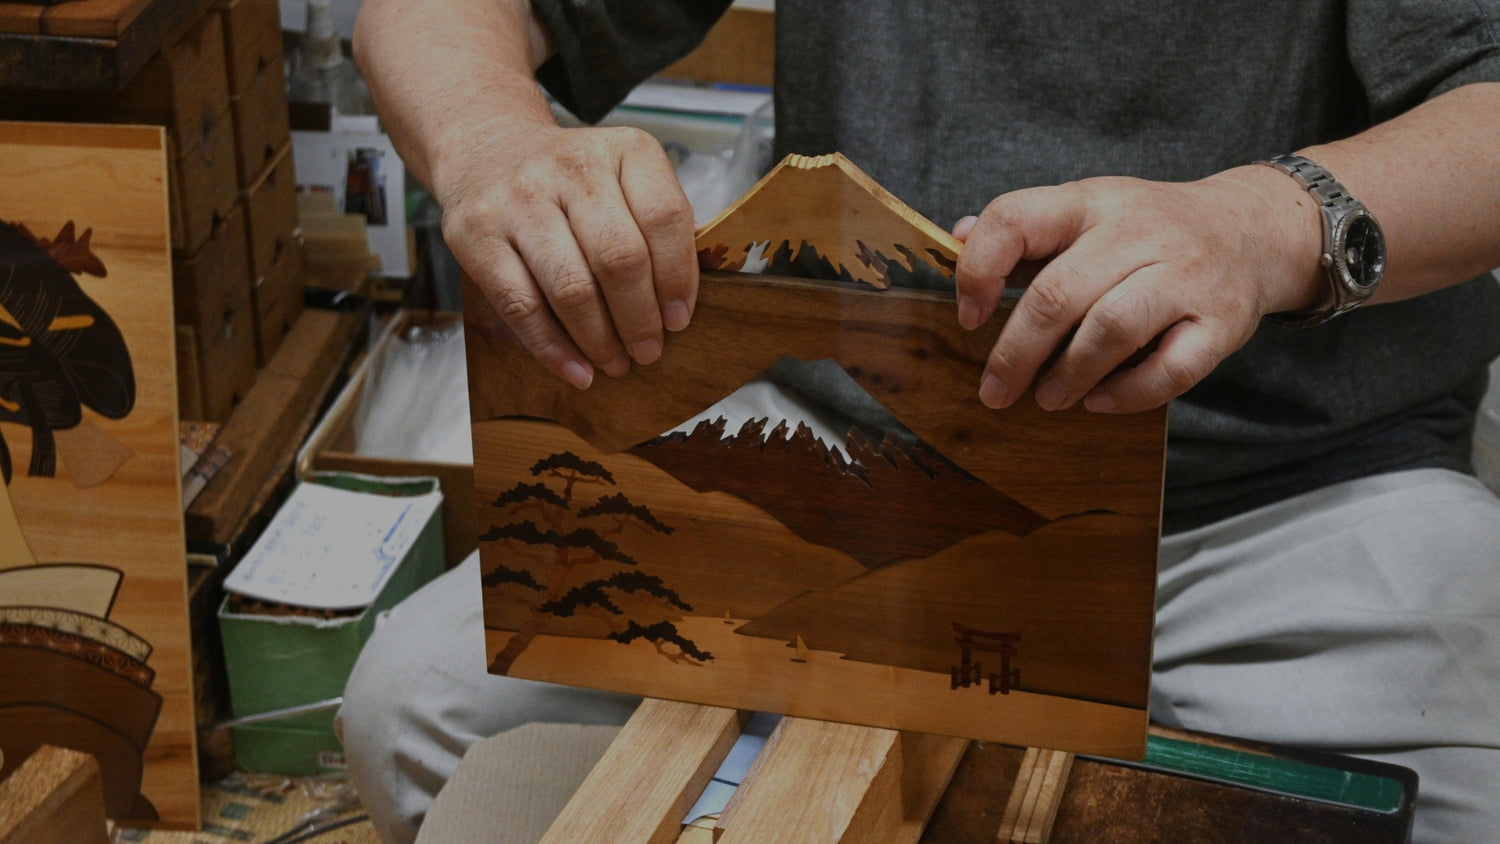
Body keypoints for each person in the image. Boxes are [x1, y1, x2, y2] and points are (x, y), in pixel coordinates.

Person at [338, 2, 1500, 841]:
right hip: (856, 450)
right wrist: (492, 143)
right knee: (419, 709)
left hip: (1289, 491)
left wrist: (1264, 223)